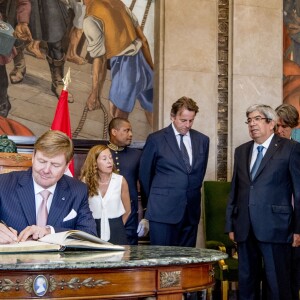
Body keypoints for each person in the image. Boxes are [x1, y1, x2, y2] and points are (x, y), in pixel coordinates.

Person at [225, 104, 300, 300]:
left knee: (276, 286)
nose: (252, 124)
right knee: (247, 284)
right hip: (245, 227)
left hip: (277, 227)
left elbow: (298, 193)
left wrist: (298, 229)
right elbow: (236, 189)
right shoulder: (241, 151)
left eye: (257, 119)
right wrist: (231, 224)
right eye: (249, 120)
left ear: (271, 123)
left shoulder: (291, 149)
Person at [0, 130, 97, 244]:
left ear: (67, 166)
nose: (46, 170)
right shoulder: (3, 183)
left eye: (55, 165)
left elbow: (90, 234)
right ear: (33, 157)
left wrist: (50, 231)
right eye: (42, 161)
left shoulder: (78, 190)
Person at [139, 96, 210, 247]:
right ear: (172, 116)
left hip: (190, 212)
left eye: (191, 120)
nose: (188, 125)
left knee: (187, 261)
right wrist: (150, 204)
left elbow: (198, 174)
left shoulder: (203, 140)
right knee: (163, 260)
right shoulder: (156, 139)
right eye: (183, 120)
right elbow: (145, 176)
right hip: (162, 211)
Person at [82, 0, 154, 126]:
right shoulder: (118, 3)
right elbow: (143, 40)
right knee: (152, 112)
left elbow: (100, 59)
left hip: (125, 67)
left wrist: (95, 93)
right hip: (142, 62)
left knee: (118, 119)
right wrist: (152, 70)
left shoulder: (91, 19)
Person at [108, 117, 148, 245]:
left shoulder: (136, 155)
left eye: (131, 131)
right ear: (114, 132)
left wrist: (146, 214)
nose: (130, 134)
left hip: (130, 212)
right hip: (105, 211)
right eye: (126, 130)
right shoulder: (101, 153)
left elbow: (144, 184)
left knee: (129, 251)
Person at [80, 145, 131, 244]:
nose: (109, 161)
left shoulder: (120, 181)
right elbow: (81, 210)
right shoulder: (85, 181)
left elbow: (128, 210)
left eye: (110, 157)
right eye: (104, 158)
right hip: (93, 229)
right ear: (95, 162)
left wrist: (118, 226)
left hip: (116, 229)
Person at [275, 103, 300, 300]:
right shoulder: (266, 149)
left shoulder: (297, 150)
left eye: (285, 126)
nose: (280, 130)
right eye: (278, 126)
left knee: (293, 274)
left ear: (294, 127)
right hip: (271, 222)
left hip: (293, 221)